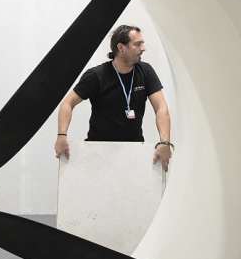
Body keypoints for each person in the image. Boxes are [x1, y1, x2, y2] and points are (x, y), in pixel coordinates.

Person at [54, 25, 173, 171]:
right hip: (99, 152)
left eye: (142, 43)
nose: (143, 48)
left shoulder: (145, 71)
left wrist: (165, 142)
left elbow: (161, 108)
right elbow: (67, 103)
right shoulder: (97, 75)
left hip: (134, 150)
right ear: (121, 48)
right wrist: (61, 135)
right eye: (137, 44)